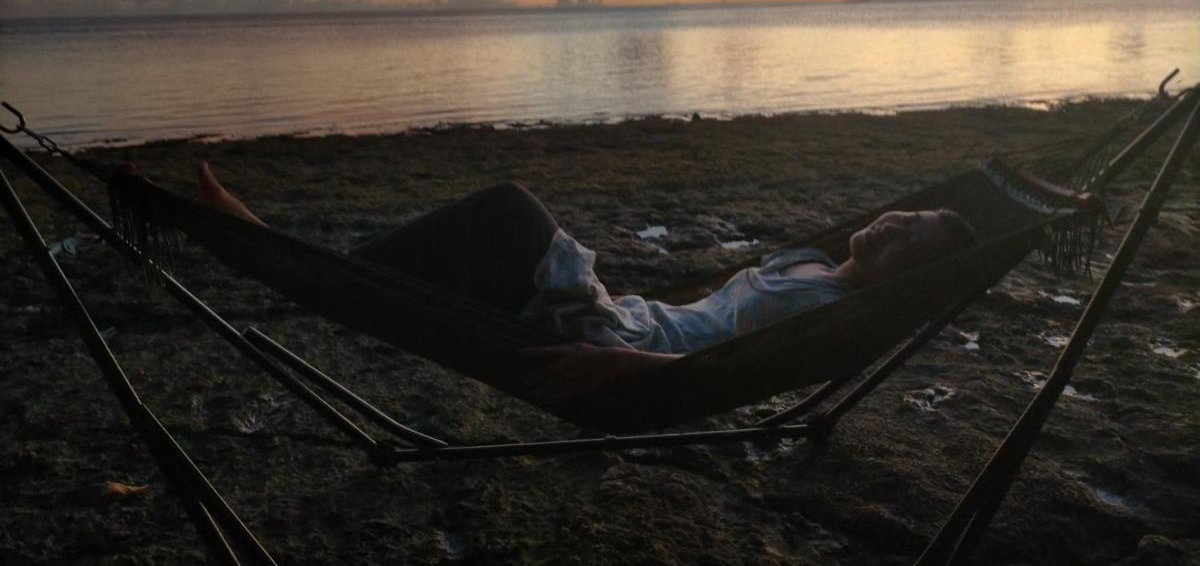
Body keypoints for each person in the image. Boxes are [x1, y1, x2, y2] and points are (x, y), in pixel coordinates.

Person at [197, 164, 976, 403]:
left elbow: (744, 371)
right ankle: (311, 265)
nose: (897, 224)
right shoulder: (812, 260)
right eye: (910, 213)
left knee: (507, 211)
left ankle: (285, 254)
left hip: (628, 345)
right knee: (478, 252)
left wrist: (627, 370)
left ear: (914, 278)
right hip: (636, 317)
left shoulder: (835, 313)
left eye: (914, 240)